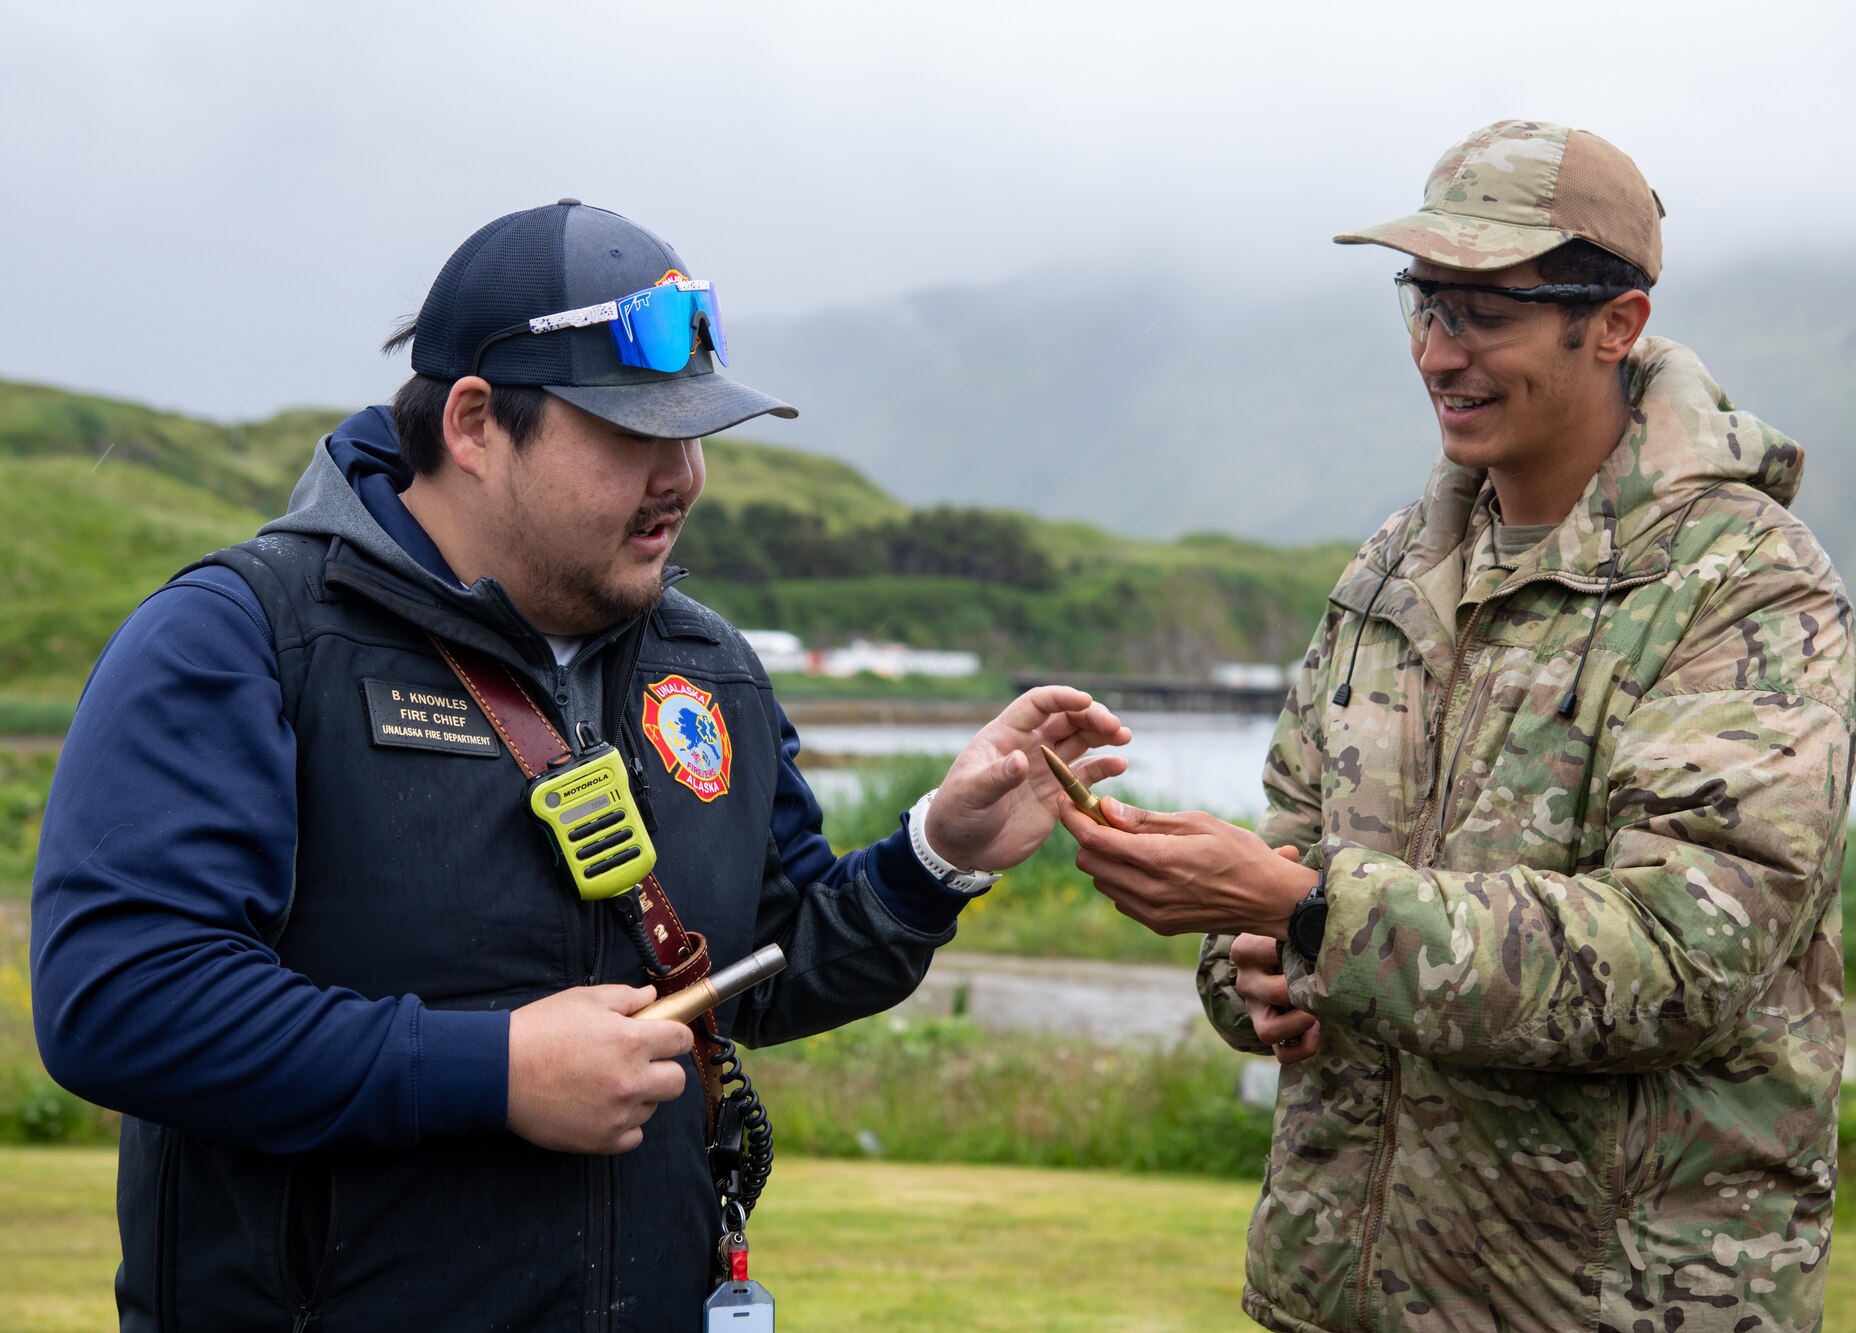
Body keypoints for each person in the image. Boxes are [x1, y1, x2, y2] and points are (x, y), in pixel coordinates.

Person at [31, 199, 1129, 1331]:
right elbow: (122, 1000)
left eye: (695, 434)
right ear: (472, 423)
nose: (683, 477)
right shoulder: (241, 637)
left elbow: (762, 964)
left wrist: (934, 856)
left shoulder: (709, 669)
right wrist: (492, 1069)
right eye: (633, 434)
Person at [1061, 121, 1856, 1333]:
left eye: (1486, 311)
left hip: (1612, 1302)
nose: (1439, 352)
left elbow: (1683, 957)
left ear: (1615, 324)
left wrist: (1309, 913)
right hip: (1342, 1293)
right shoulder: (1389, 571)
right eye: (1423, 304)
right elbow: (1289, 864)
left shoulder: (1744, 586)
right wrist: (1251, 963)